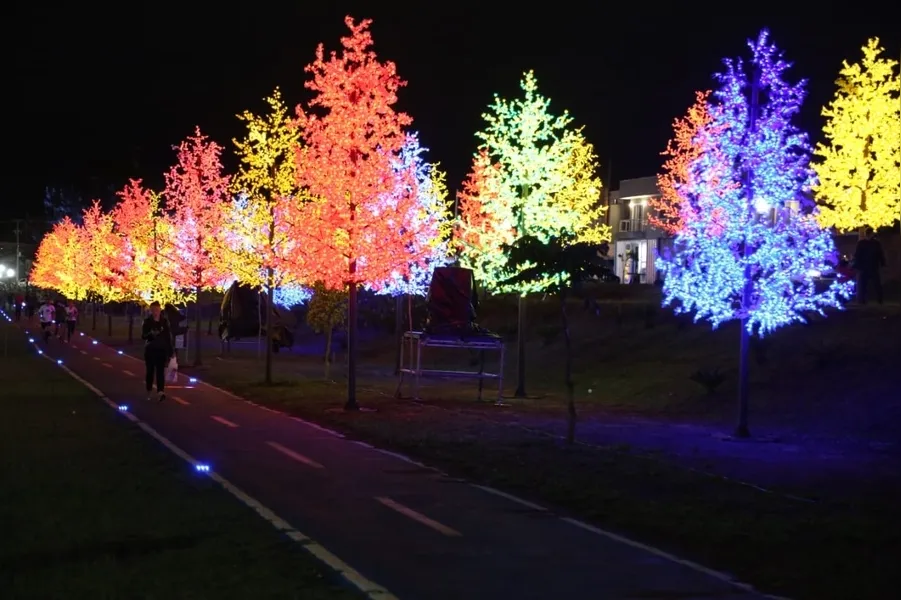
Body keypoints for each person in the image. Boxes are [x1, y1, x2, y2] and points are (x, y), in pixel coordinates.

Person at [142, 301, 173, 402]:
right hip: (150, 350)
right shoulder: (147, 322)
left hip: (161, 350)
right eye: (153, 310)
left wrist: (170, 352)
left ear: (160, 310)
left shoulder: (164, 322)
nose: (155, 312)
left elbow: (168, 337)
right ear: (151, 310)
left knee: (160, 372)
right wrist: (151, 334)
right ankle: (149, 390)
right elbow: (143, 336)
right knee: (150, 372)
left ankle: (160, 392)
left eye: (157, 310)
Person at [853, 228, 885, 305]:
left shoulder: (862, 243)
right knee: (875, 284)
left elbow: (857, 255)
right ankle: (879, 300)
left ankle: (863, 300)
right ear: (871, 234)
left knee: (864, 284)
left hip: (865, 267)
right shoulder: (876, 243)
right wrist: (882, 263)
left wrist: (857, 265)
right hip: (872, 266)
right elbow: (880, 254)